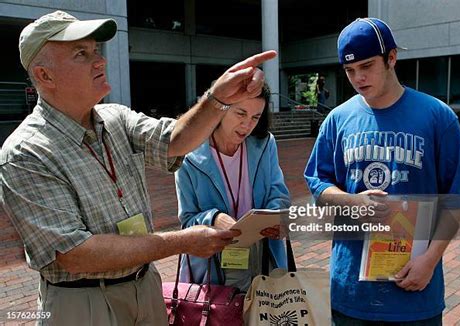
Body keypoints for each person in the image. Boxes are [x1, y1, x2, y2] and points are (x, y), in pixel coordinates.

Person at [0, 10, 277, 326]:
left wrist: (218, 100)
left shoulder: (115, 119)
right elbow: (76, 253)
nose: (100, 61)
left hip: (144, 287)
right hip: (83, 301)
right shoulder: (26, 152)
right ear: (45, 75)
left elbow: (175, 140)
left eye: (95, 50)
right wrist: (183, 241)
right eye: (81, 54)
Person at [304, 18, 460, 324]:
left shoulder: (437, 116)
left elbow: (458, 197)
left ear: (391, 58)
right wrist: (354, 202)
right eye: (349, 70)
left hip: (414, 289)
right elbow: (318, 183)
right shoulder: (338, 120)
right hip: (350, 291)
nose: (358, 78)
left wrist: (430, 262)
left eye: (367, 66)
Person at [175, 83, 290, 291]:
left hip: (263, 257)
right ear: (221, 109)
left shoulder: (265, 143)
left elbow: (278, 193)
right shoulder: (188, 154)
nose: (247, 125)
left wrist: (275, 215)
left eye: (255, 117)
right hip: (213, 268)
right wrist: (215, 218)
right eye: (241, 114)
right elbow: (187, 221)